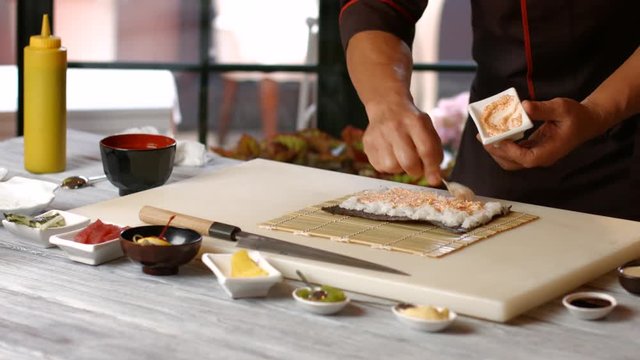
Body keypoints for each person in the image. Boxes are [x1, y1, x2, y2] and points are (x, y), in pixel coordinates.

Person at [339, 0, 640, 221]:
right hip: (493, 162)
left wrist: (599, 112)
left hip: (626, 152)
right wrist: (387, 102)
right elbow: (378, 9)